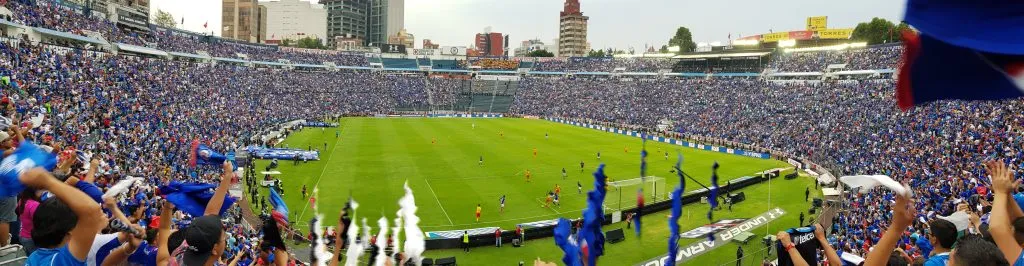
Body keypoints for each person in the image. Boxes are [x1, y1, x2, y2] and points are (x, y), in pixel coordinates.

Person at [24, 167, 107, 266]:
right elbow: (92, 211)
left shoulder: (36, 255)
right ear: (69, 230)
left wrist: (95, 231)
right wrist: (48, 182)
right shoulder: (61, 261)